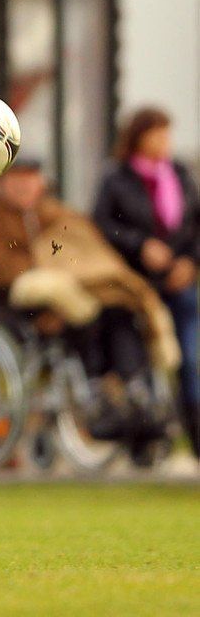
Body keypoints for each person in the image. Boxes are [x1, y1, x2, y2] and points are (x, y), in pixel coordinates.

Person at [0, 161, 176, 459]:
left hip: (78, 295)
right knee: (78, 313)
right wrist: (40, 266)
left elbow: (85, 246)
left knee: (119, 310)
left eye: (30, 179)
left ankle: (134, 389)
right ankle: (93, 390)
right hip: (14, 304)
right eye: (17, 179)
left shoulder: (55, 212)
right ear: (1, 184)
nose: (25, 186)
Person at [94, 108, 199, 458]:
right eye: (157, 134)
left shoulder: (180, 175)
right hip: (135, 287)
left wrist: (190, 262)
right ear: (138, 137)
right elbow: (103, 225)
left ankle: (194, 435)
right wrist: (140, 245)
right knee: (137, 360)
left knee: (189, 358)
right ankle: (146, 434)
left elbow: (195, 226)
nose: (164, 142)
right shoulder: (116, 179)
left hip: (178, 284)